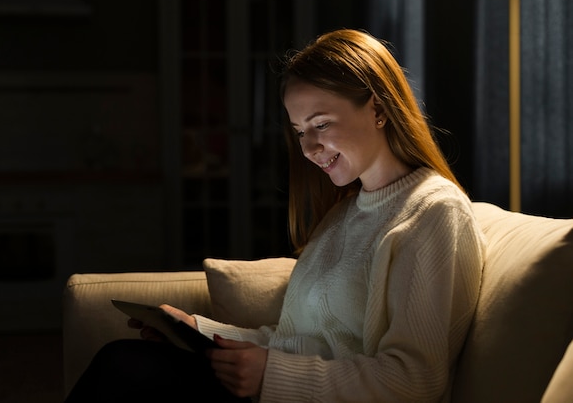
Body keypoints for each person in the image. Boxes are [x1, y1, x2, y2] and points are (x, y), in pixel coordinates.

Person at [65, 28, 485, 402]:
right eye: (301, 130)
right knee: (130, 361)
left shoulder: (434, 214)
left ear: (377, 109)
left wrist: (273, 375)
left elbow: (416, 380)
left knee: (126, 367)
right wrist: (200, 332)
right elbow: (295, 343)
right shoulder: (343, 213)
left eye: (321, 123)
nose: (307, 147)